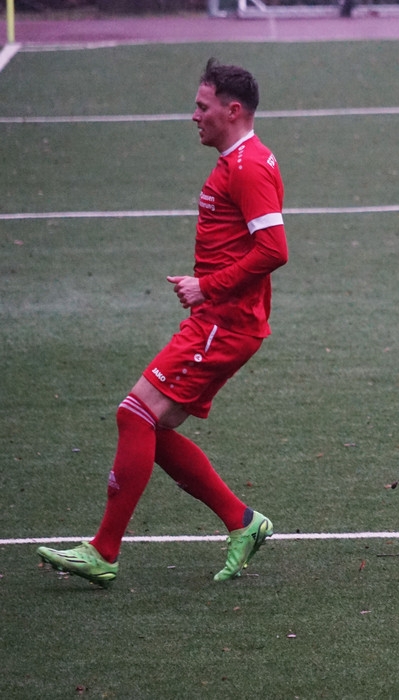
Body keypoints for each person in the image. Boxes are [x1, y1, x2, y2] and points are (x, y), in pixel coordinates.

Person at [37, 58, 288, 586]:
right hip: (217, 318)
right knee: (149, 423)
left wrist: (206, 286)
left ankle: (104, 551)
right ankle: (242, 521)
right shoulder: (239, 161)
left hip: (225, 322)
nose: (194, 115)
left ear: (232, 110)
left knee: (134, 415)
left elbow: (274, 249)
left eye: (202, 106)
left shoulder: (248, 166)